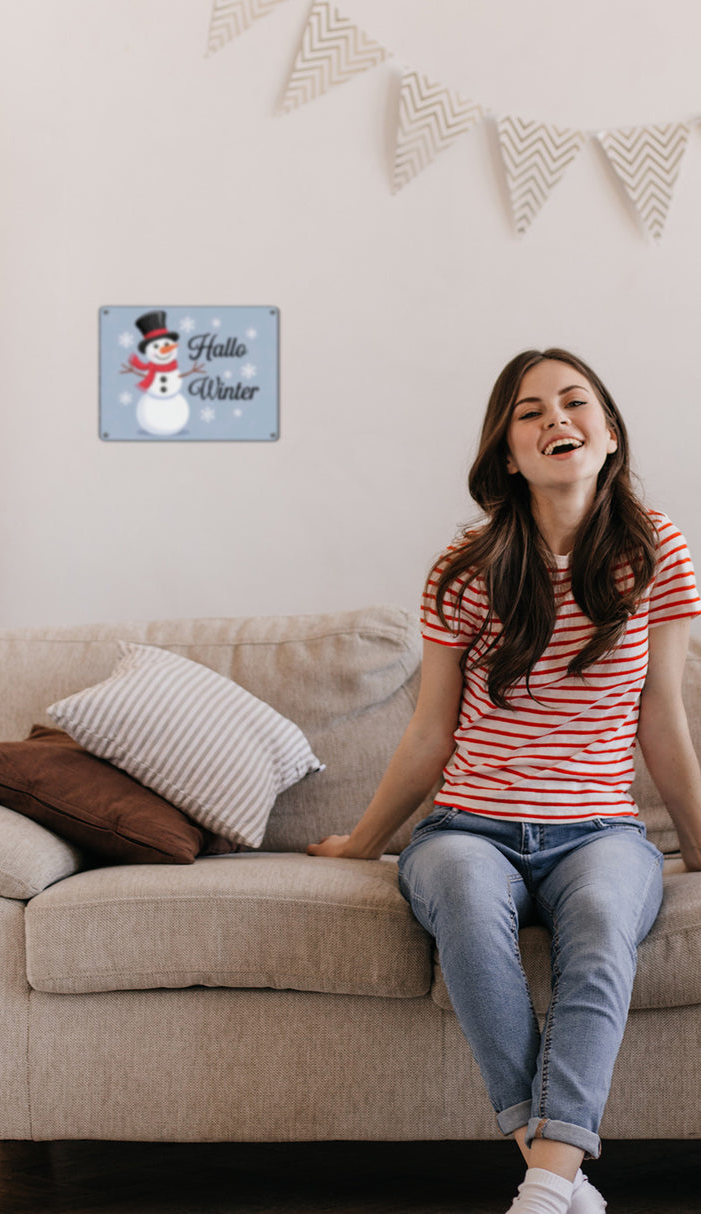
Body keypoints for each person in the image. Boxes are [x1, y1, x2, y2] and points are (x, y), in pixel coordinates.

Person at [308, 348, 701, 1214]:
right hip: (466, 828)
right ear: (508, 453)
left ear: (608, 438)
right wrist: (364, 843)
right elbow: (430, 732)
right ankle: (558, 1176)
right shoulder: (465, 566)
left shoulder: (657, 551)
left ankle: (545, 1185)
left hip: (600, 833)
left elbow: (661, 718)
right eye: (530, 411)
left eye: (574, 403)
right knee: (463, 904)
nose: (555, 419)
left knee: (602, 921)